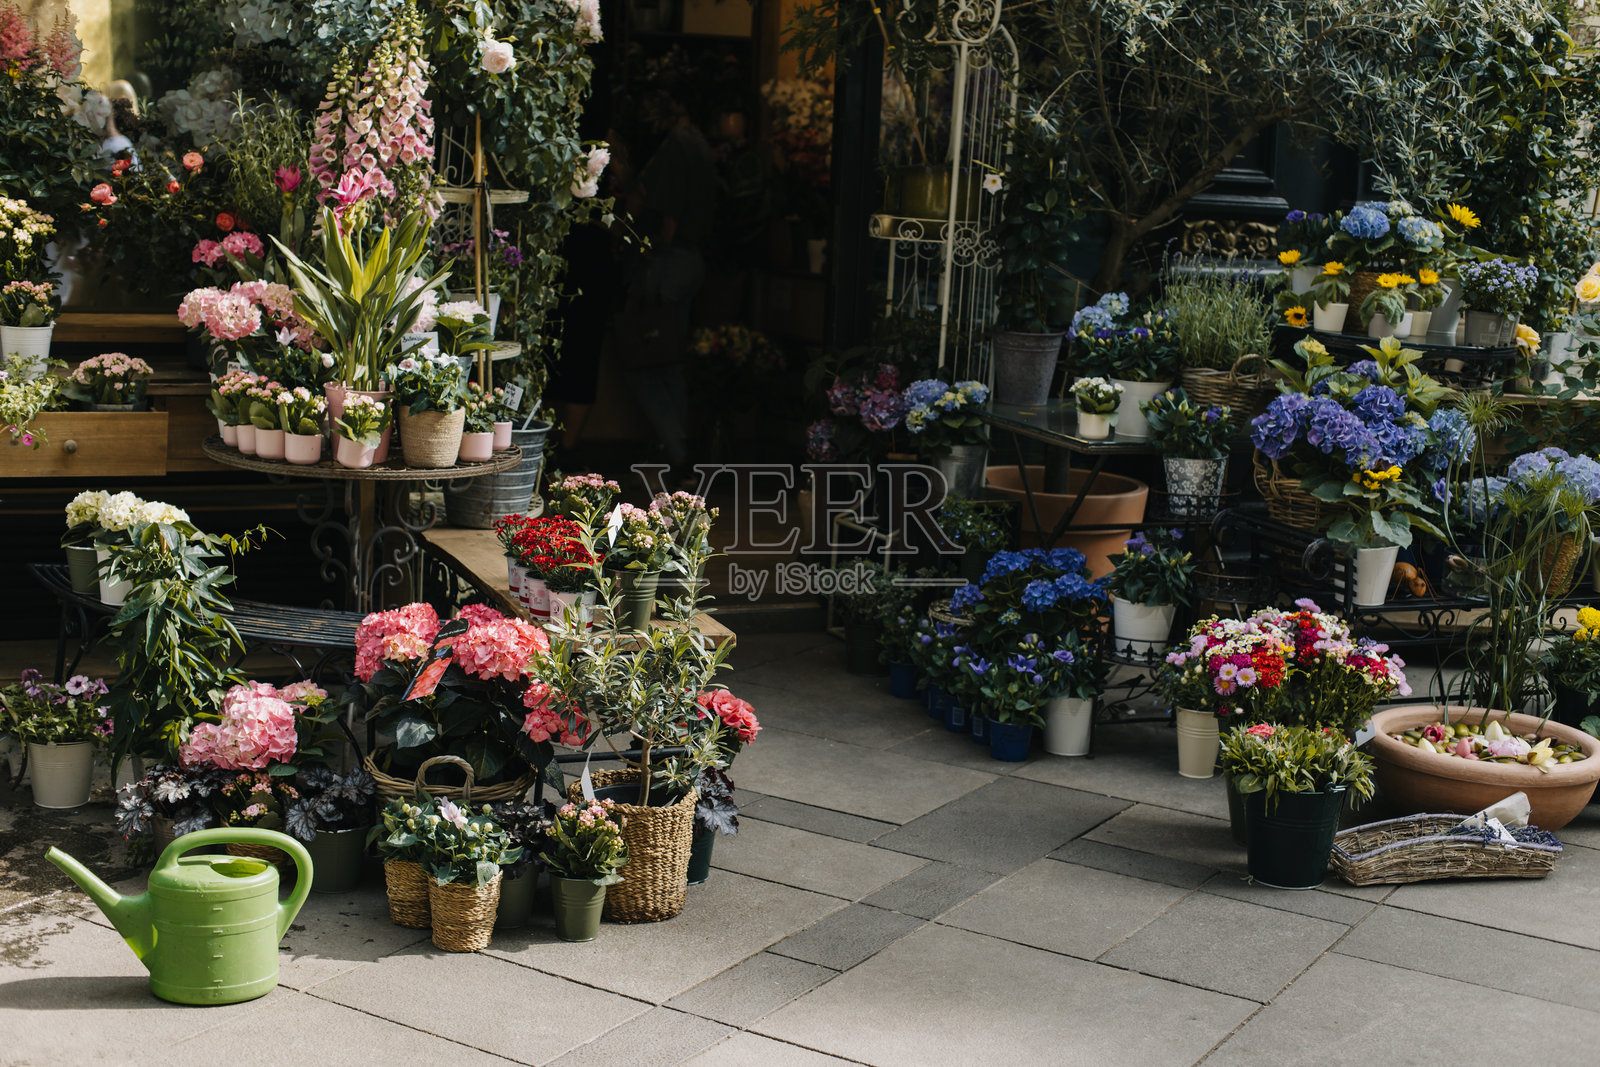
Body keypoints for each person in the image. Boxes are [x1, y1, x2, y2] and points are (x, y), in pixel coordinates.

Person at [616, 97, 716, 470]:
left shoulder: (677, 148)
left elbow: (669, 214)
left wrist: (650, 253)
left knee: (643, 358)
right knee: (667, 358)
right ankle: (677, 446)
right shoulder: (699, 146)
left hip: (671, 263)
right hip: (690, 260)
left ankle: (676, 450)